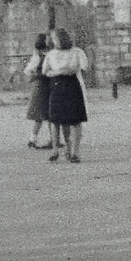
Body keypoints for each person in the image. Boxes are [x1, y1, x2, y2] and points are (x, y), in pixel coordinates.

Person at [42, 27, 89, 163]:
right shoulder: (51, 54)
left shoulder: (77, 51)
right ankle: (55, 150)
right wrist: (58, 72)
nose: (54, 41)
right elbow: (45, 71)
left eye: (56, 38)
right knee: (55, 120)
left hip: (72, 86)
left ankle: (74, 151)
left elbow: (84, 66)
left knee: (75, 120)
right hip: (57, 85)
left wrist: (70, 70)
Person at [24, 33, 57, 150]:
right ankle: (35, 140)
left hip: (45, 85)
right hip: (43, 86)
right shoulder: (39, 55)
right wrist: (37, 74)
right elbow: (28, 70)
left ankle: (50, 139)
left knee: (47, 114)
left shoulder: (44, 54)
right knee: (43, 114)